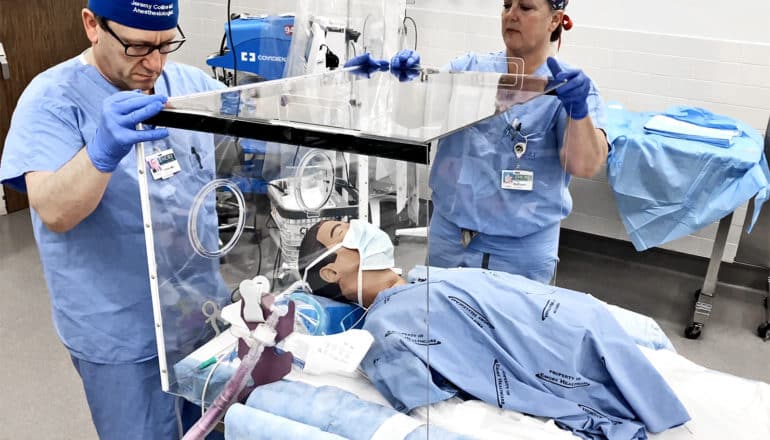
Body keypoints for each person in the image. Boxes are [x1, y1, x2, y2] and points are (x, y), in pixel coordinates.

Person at [0, 1, 228, 438]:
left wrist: (344, 89)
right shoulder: (51, 100)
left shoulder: (187, 85)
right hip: (121, 332)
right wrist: (99, 153)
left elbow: (259, 125)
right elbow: (53, 210)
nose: (155, 63)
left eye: (166, 45)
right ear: (92, 25)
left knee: (215, 426)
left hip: (201, 316)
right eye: (138, 47)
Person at [297, 219, 690, 440]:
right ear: (332, 271)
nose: (358, 226)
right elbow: (431, 406)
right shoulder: (381, 329)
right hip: (566, 351)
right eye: (342, 231)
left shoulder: (423, 278)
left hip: (577, 318)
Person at [391, 0, 609, 284]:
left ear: (555, 20)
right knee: (442, 320)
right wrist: (407, 82)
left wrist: (577, 112)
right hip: (451, 237)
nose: (511, 15)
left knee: (513, 324)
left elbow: (584, 165)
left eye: (526, 8)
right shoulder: (469, 71)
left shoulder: (566, 87)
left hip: (521, 248)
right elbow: (410, 119)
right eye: (507, 6)